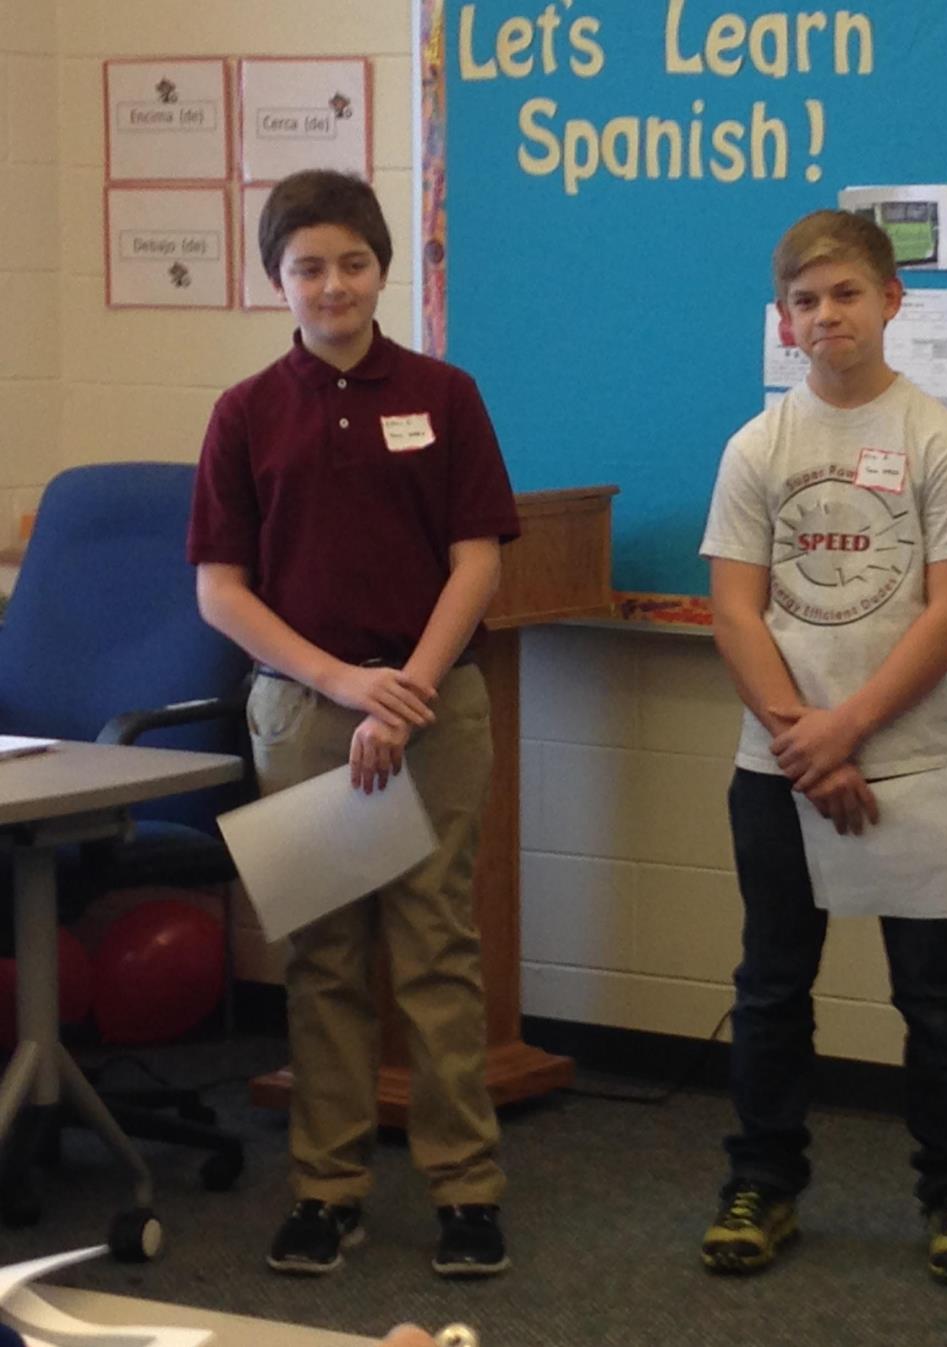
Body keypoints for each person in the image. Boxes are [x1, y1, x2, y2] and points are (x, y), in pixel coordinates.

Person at [188, 169, 518, 1278]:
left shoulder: (445, 394)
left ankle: (465, 1191)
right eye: (309, 268)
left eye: (354, 264)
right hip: (304, 710)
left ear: (384, 270)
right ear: (277, 279)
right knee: (324, 959)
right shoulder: (245, 412)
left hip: (434, 706)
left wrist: (405, 689)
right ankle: (326, 1191)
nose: (332, 285)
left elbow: (477, 559)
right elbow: (221, 591)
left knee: (436, 951)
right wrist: (340, 682)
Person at [697, 209, 947, 1286]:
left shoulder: (937, 439)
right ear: (783, 320)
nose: (826, 315)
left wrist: (848, 730)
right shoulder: (759, 446)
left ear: (890, 302)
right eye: (805, 300)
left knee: (935, 994)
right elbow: (735, 611)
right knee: (772, 986)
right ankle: (761, 1182)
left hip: (907, 763)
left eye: (845, 294)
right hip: (777, 769)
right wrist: (805, 742)